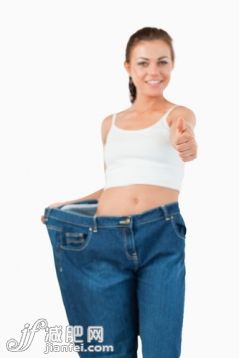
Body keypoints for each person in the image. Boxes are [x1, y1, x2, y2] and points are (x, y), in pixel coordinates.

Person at [42, 27, 197, 358]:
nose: (153, 72)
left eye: (162, 62)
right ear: (128, 67)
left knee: (162, 350)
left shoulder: (178, 115)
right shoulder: (109, 123)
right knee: (107, 350)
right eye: (143, 63)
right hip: (102, 239)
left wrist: (186, 143)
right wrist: (71, 204)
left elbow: (184, 137)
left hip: (160, 236)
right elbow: (116, 183)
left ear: (172, 66)